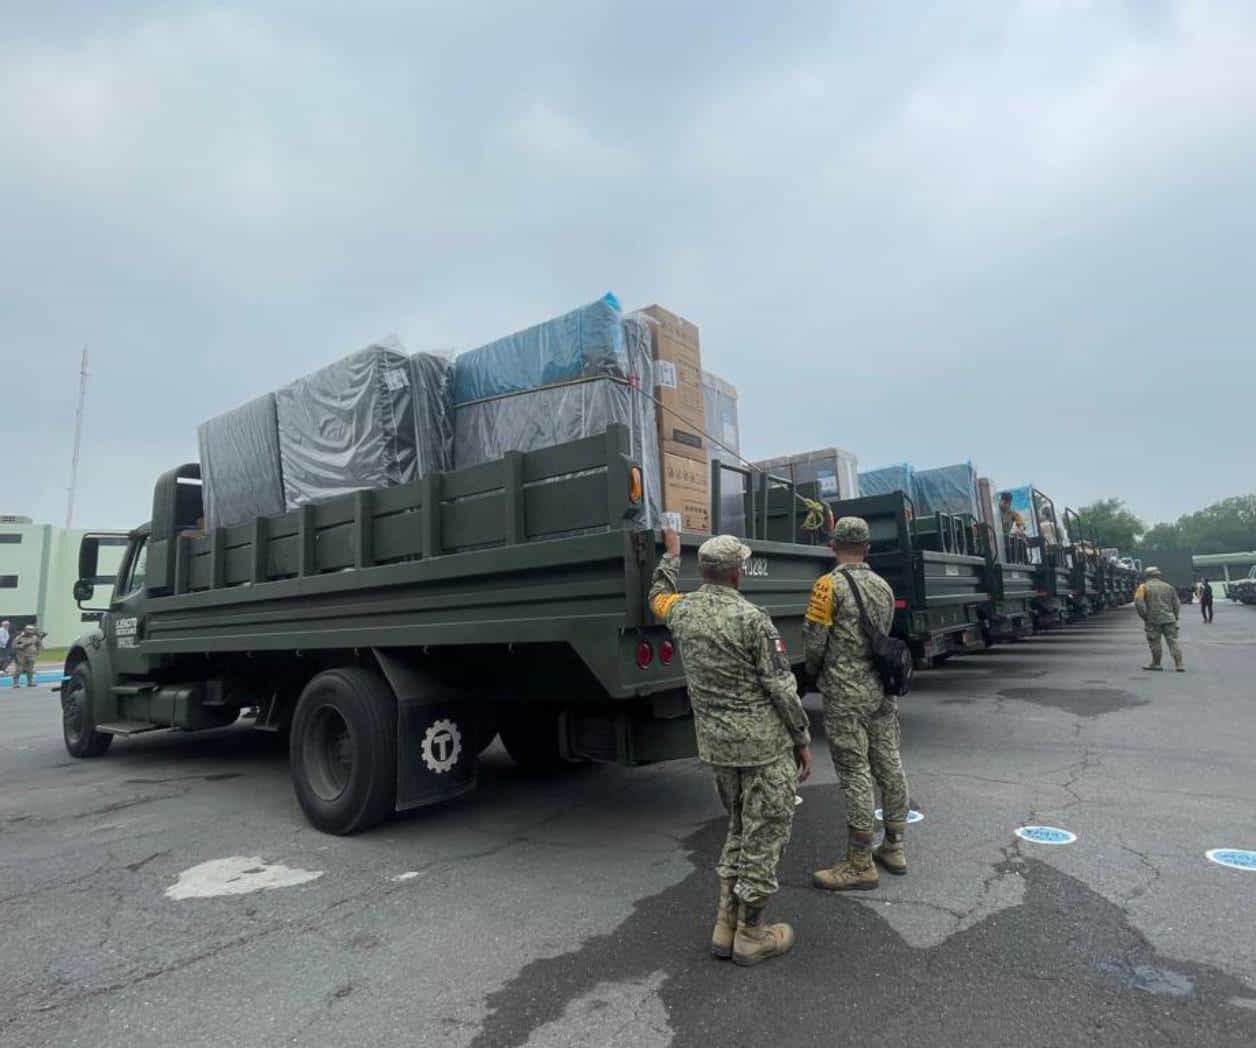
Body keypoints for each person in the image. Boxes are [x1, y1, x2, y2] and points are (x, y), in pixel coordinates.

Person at [649, 530, 812, 967]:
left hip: (718, 748)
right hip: (763, 748)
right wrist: (801, 738)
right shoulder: (752, 620)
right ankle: (752, 934)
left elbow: (657, 598)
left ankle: (726, 924)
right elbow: (781, 688)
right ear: (738, 573)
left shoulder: (682, 612)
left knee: (739, 829)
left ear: (703, 571)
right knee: (765, 836)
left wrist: (669, 555)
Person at [804, 516, 910, 892]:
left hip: (845, 693)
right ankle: (894, 846)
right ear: (866, 548)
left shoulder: (827, 586)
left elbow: (815, 642)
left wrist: (814, 672)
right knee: (889, 763)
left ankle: (860, 862)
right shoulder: (883, 586)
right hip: (882, 690)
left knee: (854, 771)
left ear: (833, 546)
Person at [1135, 567, 1183, 672]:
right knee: (1173, 641)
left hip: (1153, 620)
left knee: (1155, 642)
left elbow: (1138, 603)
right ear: (1158, 575)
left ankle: (1156, 664)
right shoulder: (1169, 587)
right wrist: (1175, 616)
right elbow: (1177, 603)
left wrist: (1145, 616)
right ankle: (1179, 664)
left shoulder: (1143, 587)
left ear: (1146, 576)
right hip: (1169, 619)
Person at [12, 623, 45, 688]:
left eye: (32, 631)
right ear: (25, 630)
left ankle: (30, 682)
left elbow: (39, 645)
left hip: (31, 655)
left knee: (30, 669)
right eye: (29, 631)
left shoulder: (35, 637)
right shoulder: (19, 637)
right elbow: (14, 645)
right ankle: (15, 683)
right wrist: (23, 645)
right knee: (19, 669)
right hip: (21, 655)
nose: (30, 633)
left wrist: (38, 651)